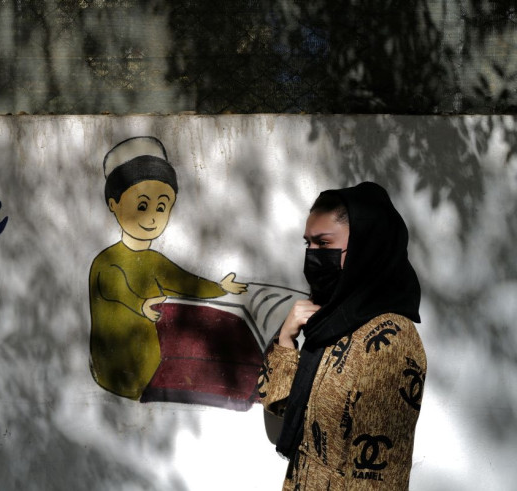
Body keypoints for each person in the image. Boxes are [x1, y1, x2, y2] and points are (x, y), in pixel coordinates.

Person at [258, 182, 426, 490]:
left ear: (365, 247)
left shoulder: (390, 341)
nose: (312, 256)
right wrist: (285, 339)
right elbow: (280, 404)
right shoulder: (331, 322)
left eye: (324, 244)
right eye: (308, 244)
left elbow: (379, 479)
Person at [89, 136, 247, 400]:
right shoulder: (106, 261)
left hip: (153, 366)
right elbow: (116, 287)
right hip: (118, 374)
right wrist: (141, 304)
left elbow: (184, 281)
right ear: (113, 204)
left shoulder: (155, 260)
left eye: (161, 206)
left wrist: (220, 288)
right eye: (142, 205)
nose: (152, 216)